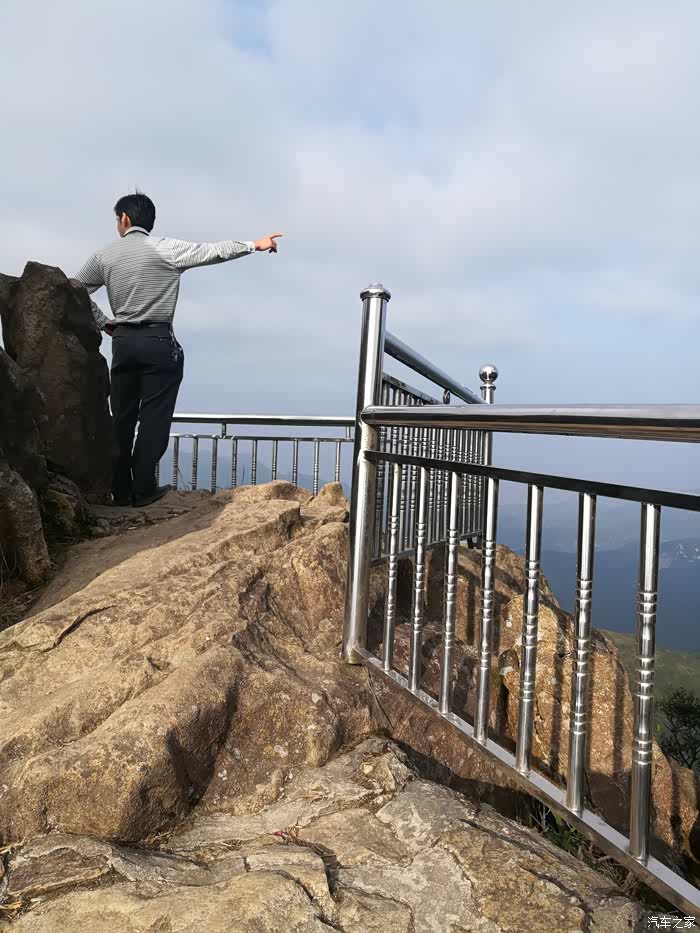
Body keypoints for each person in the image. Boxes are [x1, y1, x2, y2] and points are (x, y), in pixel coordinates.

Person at [74, 192, 282, 507]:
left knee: (122, 418)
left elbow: (73, 288)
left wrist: (104, 322)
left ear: (125, 219)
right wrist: (254, 244)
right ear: (147, 221)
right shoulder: (166, 249)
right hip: (158, 341)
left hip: (123, 343)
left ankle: (119, 490)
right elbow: (213, 252)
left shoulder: (105, 256)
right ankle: (143, 489)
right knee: (154, 418)